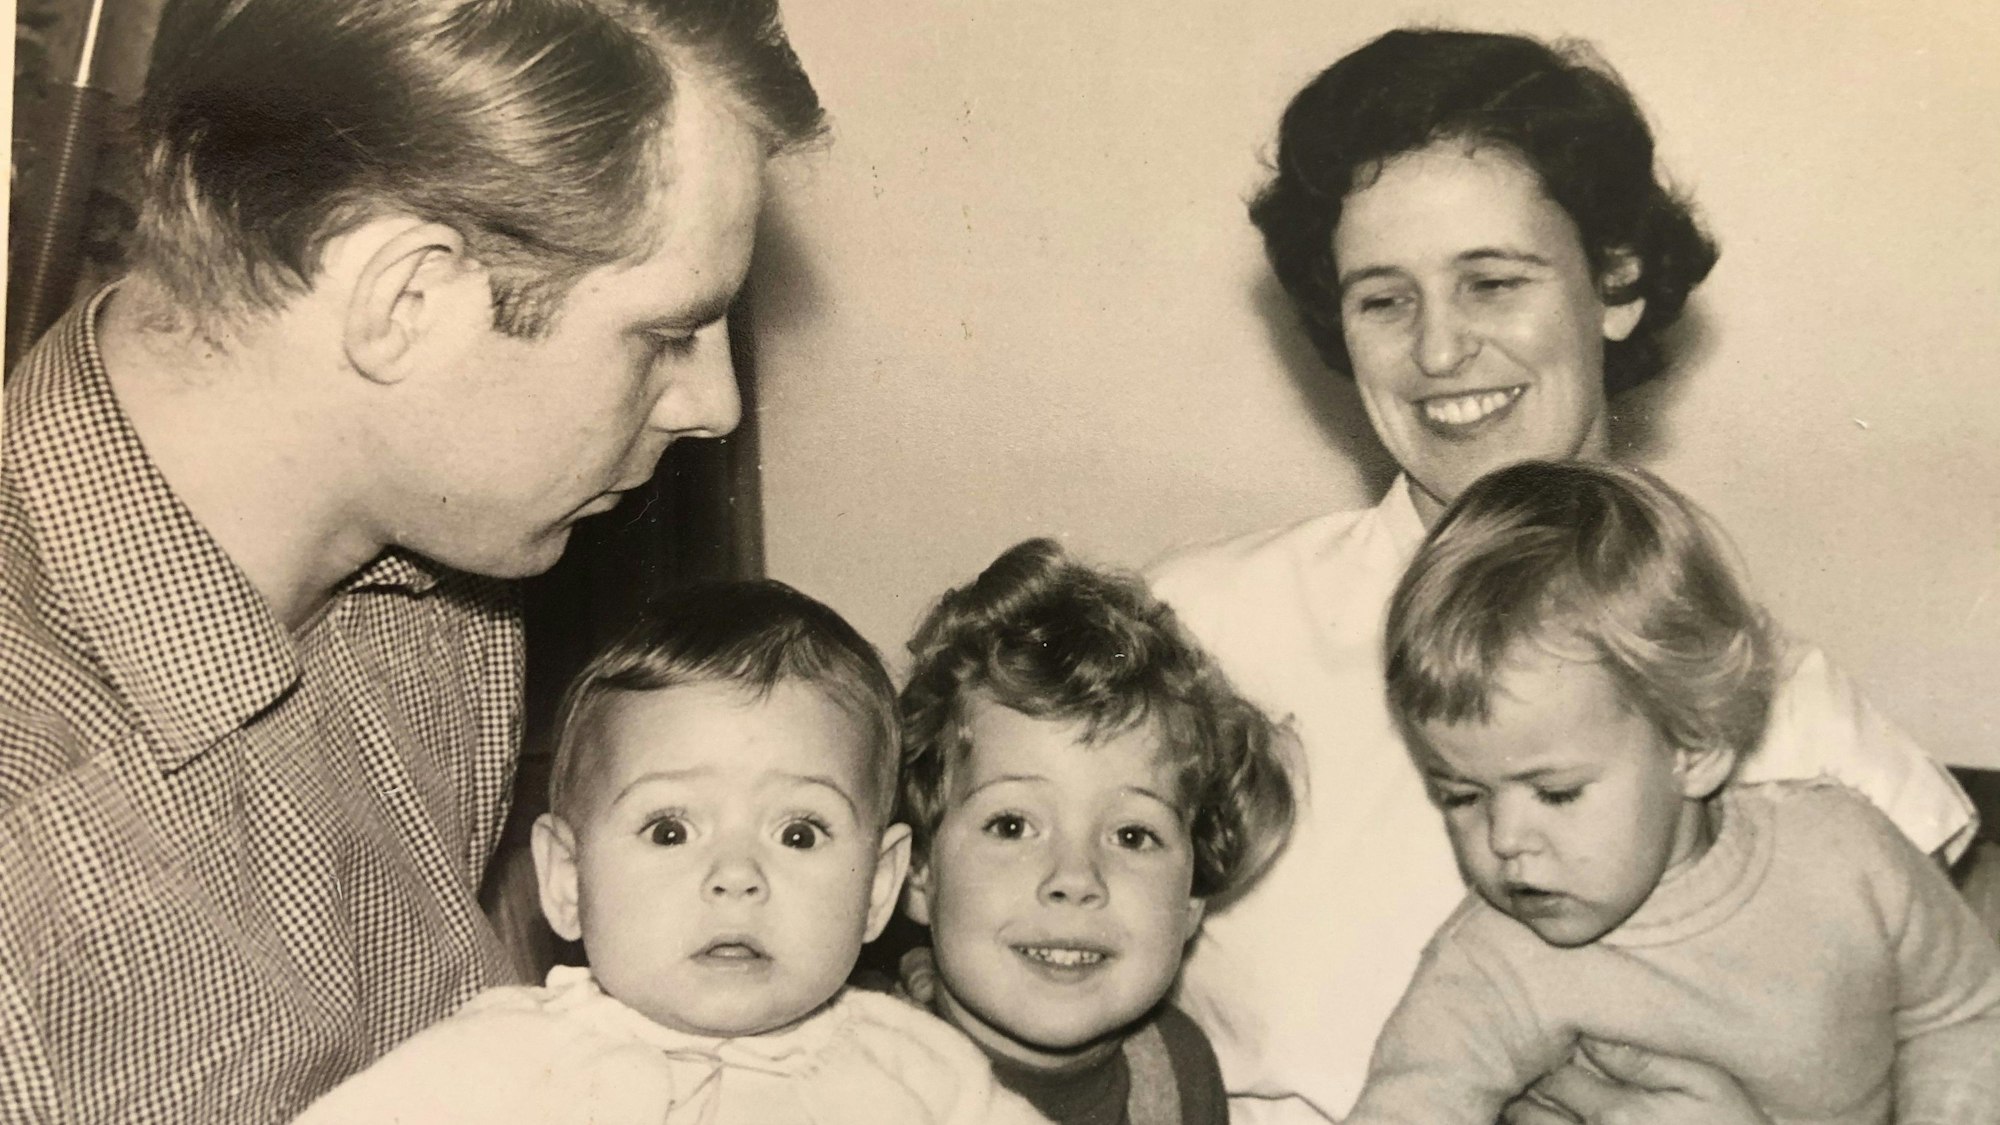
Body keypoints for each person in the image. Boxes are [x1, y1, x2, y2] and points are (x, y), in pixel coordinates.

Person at [0, 0, 823, 1119]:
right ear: (407, 300)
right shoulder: (30, 830)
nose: (713, 407)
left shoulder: (445, 577)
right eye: (665, 333)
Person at [1144, 26, 1981, 1125]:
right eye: (1383, 299)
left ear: (1616, 283)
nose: (1439, 352)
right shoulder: (1194, 629)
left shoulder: (1770, 702)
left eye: (1491, 282)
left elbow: (1951, 1034)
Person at [1344, 460, 2000, 1125]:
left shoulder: (1844, 851)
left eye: (1557, 792)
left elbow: (1967, 1013)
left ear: (1694, 747)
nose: (1504, 838)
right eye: (1461, 795)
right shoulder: (1490, 965)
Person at [296, 581, 1051, 1125]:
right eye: (669, 829)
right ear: (566, 877)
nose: (735, 878)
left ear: (879, 887)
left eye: (798, 832)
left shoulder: (919, 1072)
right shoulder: (492, 1065)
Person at [894, 539, 1296, 1125]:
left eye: (1133, 836)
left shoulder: (1181, 1072)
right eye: (1011, 825)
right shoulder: (857, 1081)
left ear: (1192, 901)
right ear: (918, 871)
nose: (1075, 880)